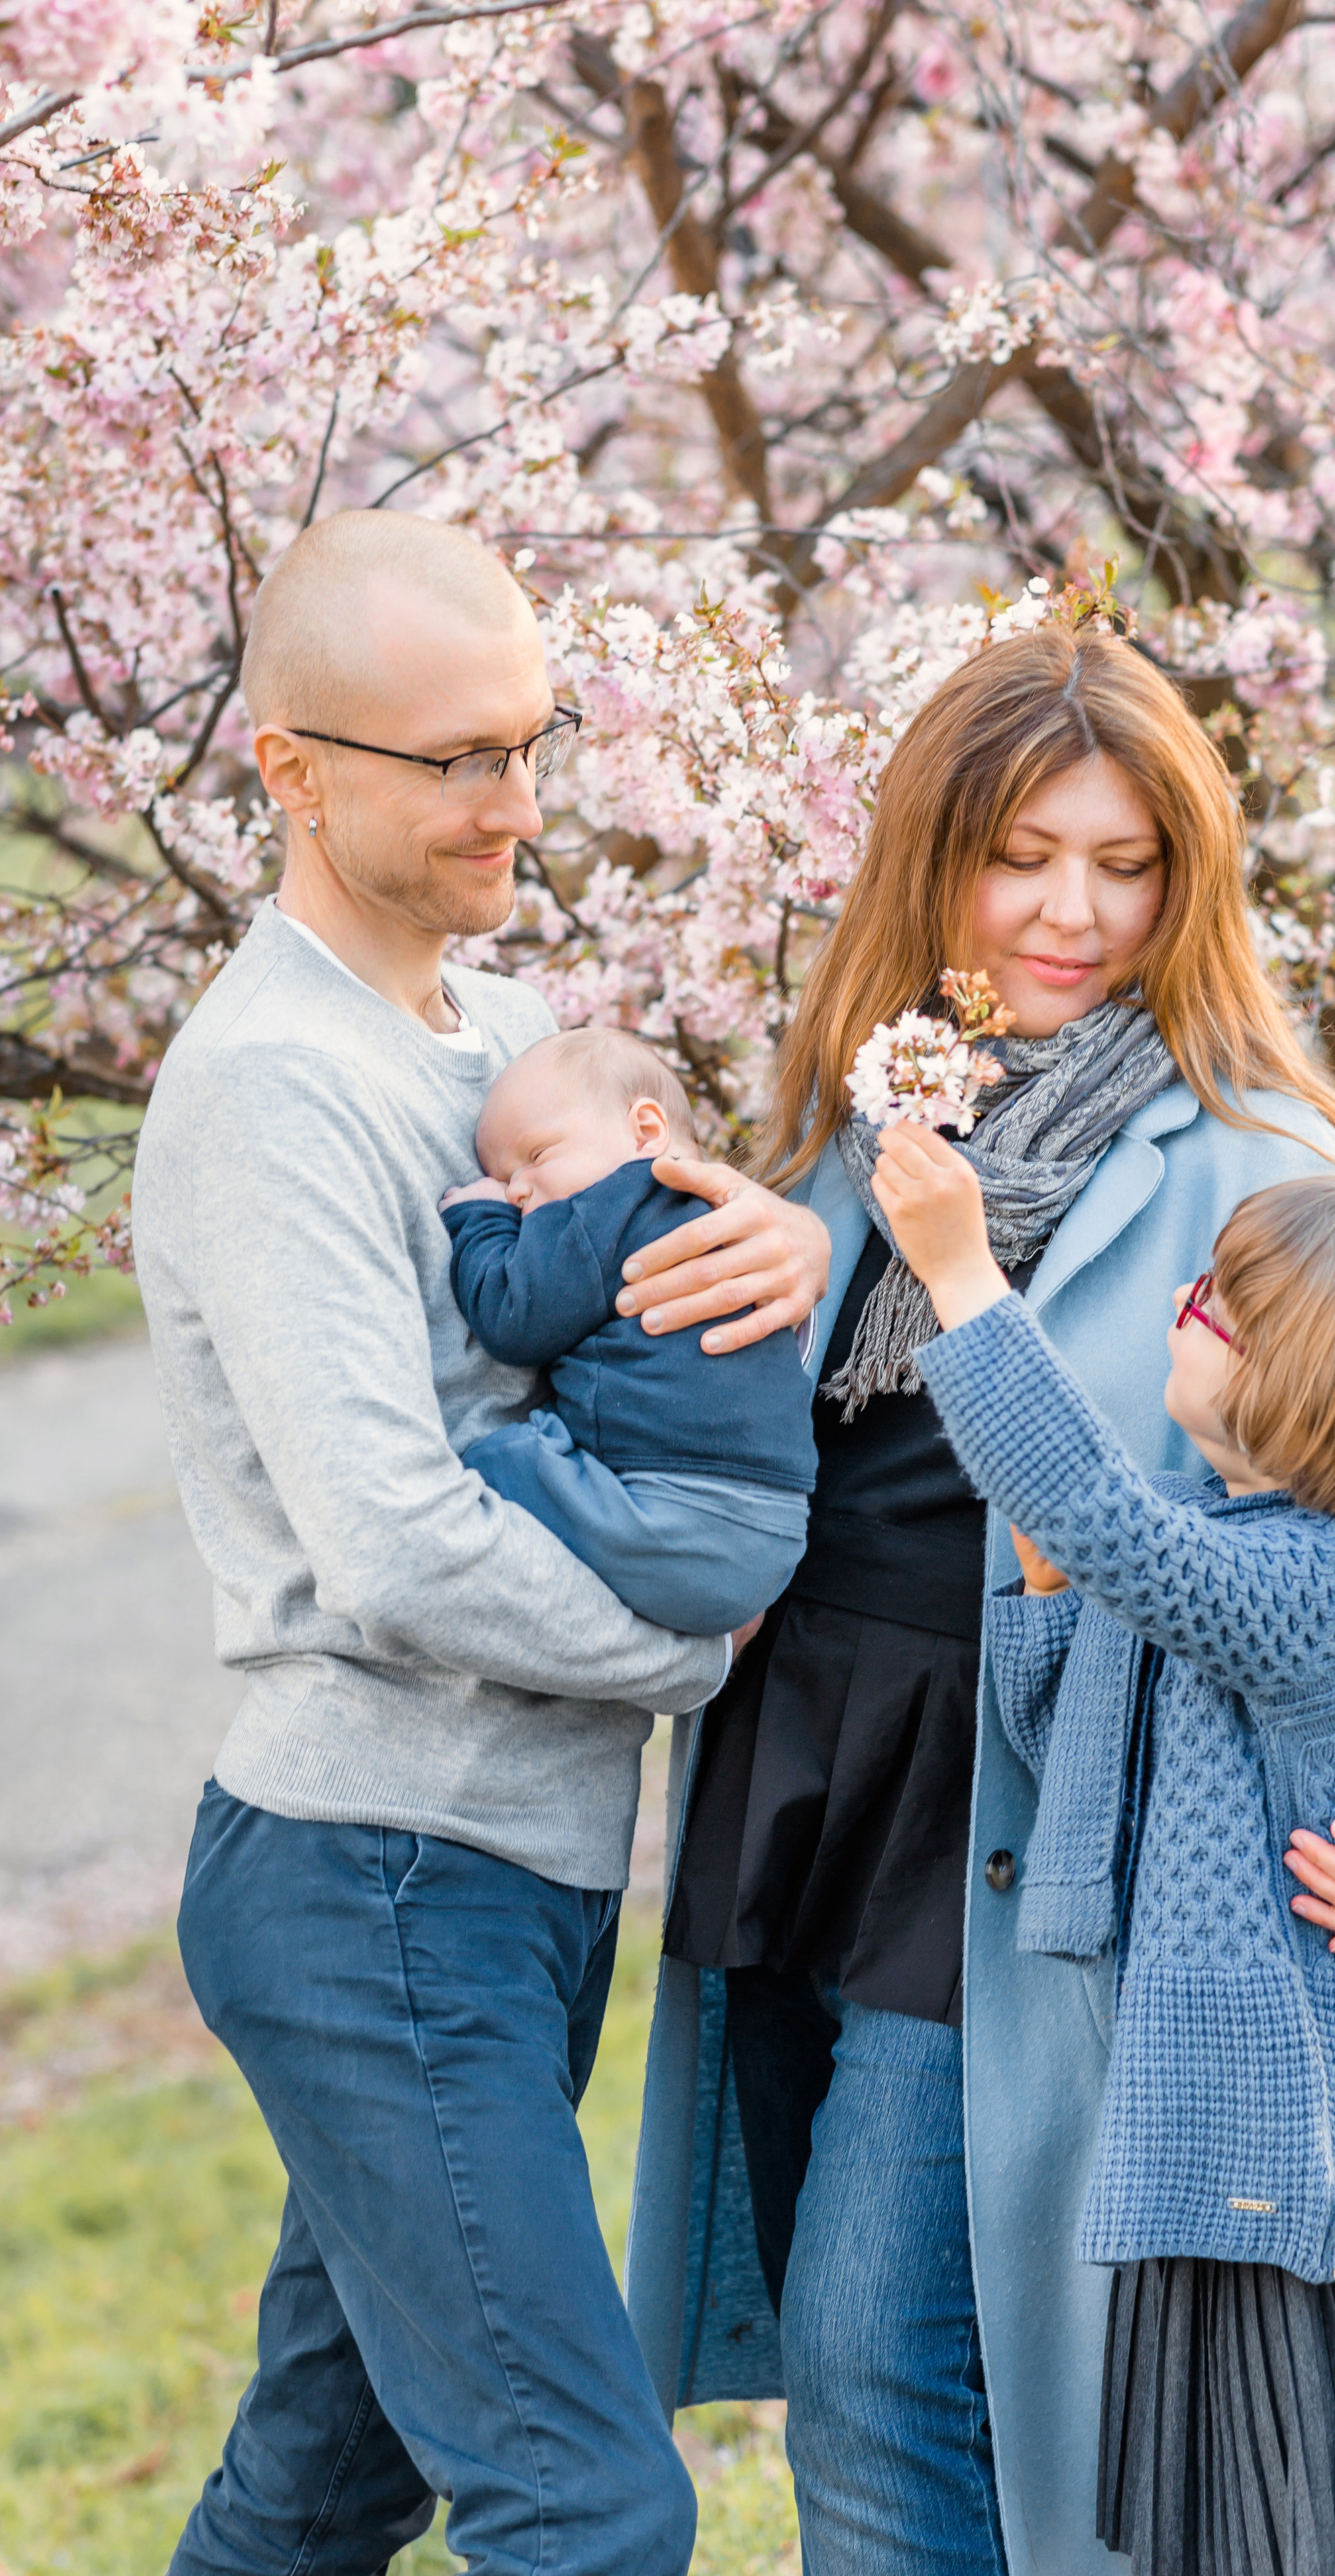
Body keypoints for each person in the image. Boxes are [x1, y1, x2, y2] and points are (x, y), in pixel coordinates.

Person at [623, 622, 1335, 2575]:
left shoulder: (1262, 1159)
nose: (1071, 912)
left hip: (1029, 1806)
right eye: (1020, 857)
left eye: (1124, 864)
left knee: (882, 2347)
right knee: (866, 2352)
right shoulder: (862, 1114)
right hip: (816, 1771)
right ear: (929, 862)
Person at [131, 508, 829, 2576]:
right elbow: (395, 1545)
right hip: (375, 1875)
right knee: (588, 2505)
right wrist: (691, 1656)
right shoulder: (275, 1088)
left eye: (526, 743)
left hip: (505, 1871)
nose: (514, 802)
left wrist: (782, 1242)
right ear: (292, 767)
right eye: (453, 759)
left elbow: (675, 1301)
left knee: (321, 2490)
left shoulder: (511, 1039)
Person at [870, 1144, 1335, 2575]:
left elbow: (1113, 1525)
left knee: (1271, 2532)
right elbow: (1083, 1762)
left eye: (1212, 1305)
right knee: (1202, 2530)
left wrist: (963, 1279)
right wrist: (1049, 1599)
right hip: (1205, 2144)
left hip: (1292, 2155)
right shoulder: (1229, 1546)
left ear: (1308, 1397)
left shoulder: (1322, 1586)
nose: (1185, 1303)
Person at [441, 1026, 816, 1635]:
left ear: (645, 1131)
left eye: (535, 1157)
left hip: (669, 1516)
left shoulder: (612, 1205)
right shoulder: (729, 1218)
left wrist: (478, 1218)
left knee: (497, 1459)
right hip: (777, 1531)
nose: (516, 1190)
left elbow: (512, 1319)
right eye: (502, 1180)